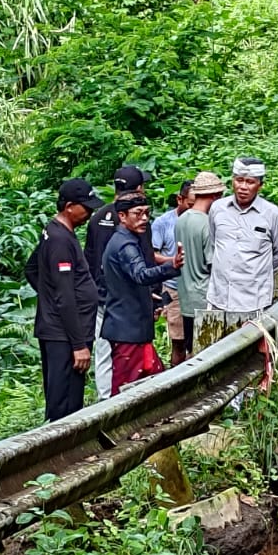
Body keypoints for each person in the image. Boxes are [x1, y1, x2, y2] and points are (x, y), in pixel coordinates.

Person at [24, 177, 104, 421]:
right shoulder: (59, 240)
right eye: (86, 207)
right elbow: (65, 296)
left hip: (60, 330)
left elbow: (32, 269)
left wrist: (48, 298)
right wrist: (79, 345)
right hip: (65, 336)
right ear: (69, 206)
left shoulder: (54, 232)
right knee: (64, 406)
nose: (90, 213)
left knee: (67, 398)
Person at [101, 194, 182, 394]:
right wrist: (171, 265)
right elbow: (141, 275)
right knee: (125, 388)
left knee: (151, 378)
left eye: (147, 213)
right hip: (127, 329)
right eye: (138, 213)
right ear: (122, 216)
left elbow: (128, 282)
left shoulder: (125, 240)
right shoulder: (125, 245)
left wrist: (147, 299)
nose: (144, 218)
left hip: (133, 327)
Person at [85, 163, 151, 399]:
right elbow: (146, 260)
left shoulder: (97, 217)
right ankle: (129, 399)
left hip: (101, 295)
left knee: (103, 351)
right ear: (139, 188)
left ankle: (104, 400)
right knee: (130, 354)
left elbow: (89, 259)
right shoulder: (137, 219)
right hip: (128, 301)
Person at [206, 158, 278, 324]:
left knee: (253, 346)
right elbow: (214, 243)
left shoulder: (272, 214)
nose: (243, 187)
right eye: (239, 180)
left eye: (250, 182)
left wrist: (256, 272)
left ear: (260, 185)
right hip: (219, 296)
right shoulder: (217, 209)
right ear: (232, 181)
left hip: (254, 300)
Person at [175, 170, 223, 357]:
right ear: (215, 196)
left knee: (190, 349)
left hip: (186, 296)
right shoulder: (206, 224)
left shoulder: (181, 220)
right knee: (205, 352)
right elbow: (212, 263)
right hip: (205, 297)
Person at [152, 180, 195, 366]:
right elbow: (152, 254)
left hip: (199, 289)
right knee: (178, 341)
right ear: (180, 199)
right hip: (173, 289)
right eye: (191, 204)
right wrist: (175, 261)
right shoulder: (163, 223)